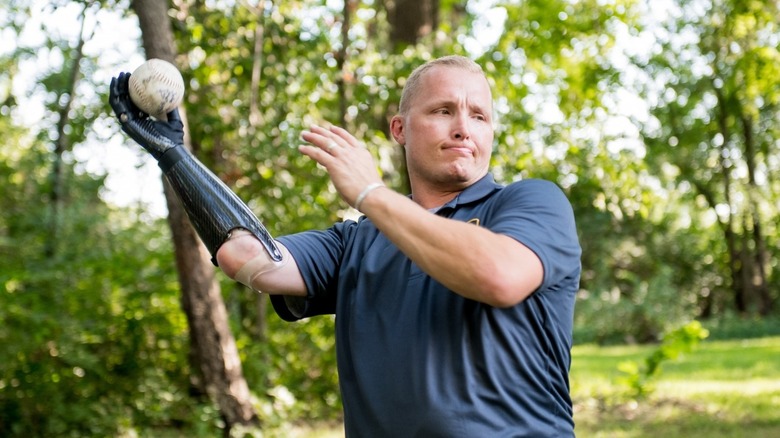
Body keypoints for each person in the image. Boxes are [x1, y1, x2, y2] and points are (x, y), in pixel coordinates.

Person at [110, 55, 581, 437]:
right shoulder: (358, 239)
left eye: (478, 115)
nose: (464, 127)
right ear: (399, 129)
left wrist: (369, 192)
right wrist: (175, 158)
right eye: (442, 111)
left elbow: (498, 276)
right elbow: (248, 258)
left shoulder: (531, 203)